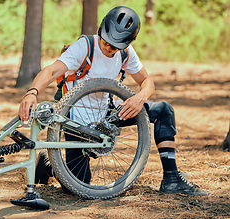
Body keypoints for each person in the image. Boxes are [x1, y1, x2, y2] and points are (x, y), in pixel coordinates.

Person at [18, 6, 206, 196]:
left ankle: (172, 179)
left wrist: (140, 98)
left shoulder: (126, 52)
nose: (108, 48)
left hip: (106, 115)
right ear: (101, 30)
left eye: (115, 47)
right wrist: (32, 92)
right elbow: (51, 71)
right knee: (78, 185)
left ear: (127, 43)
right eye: (106, 42)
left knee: (164, 110)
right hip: (76, 120)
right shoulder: (85, 46)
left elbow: (147, 81)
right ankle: (49, 165)